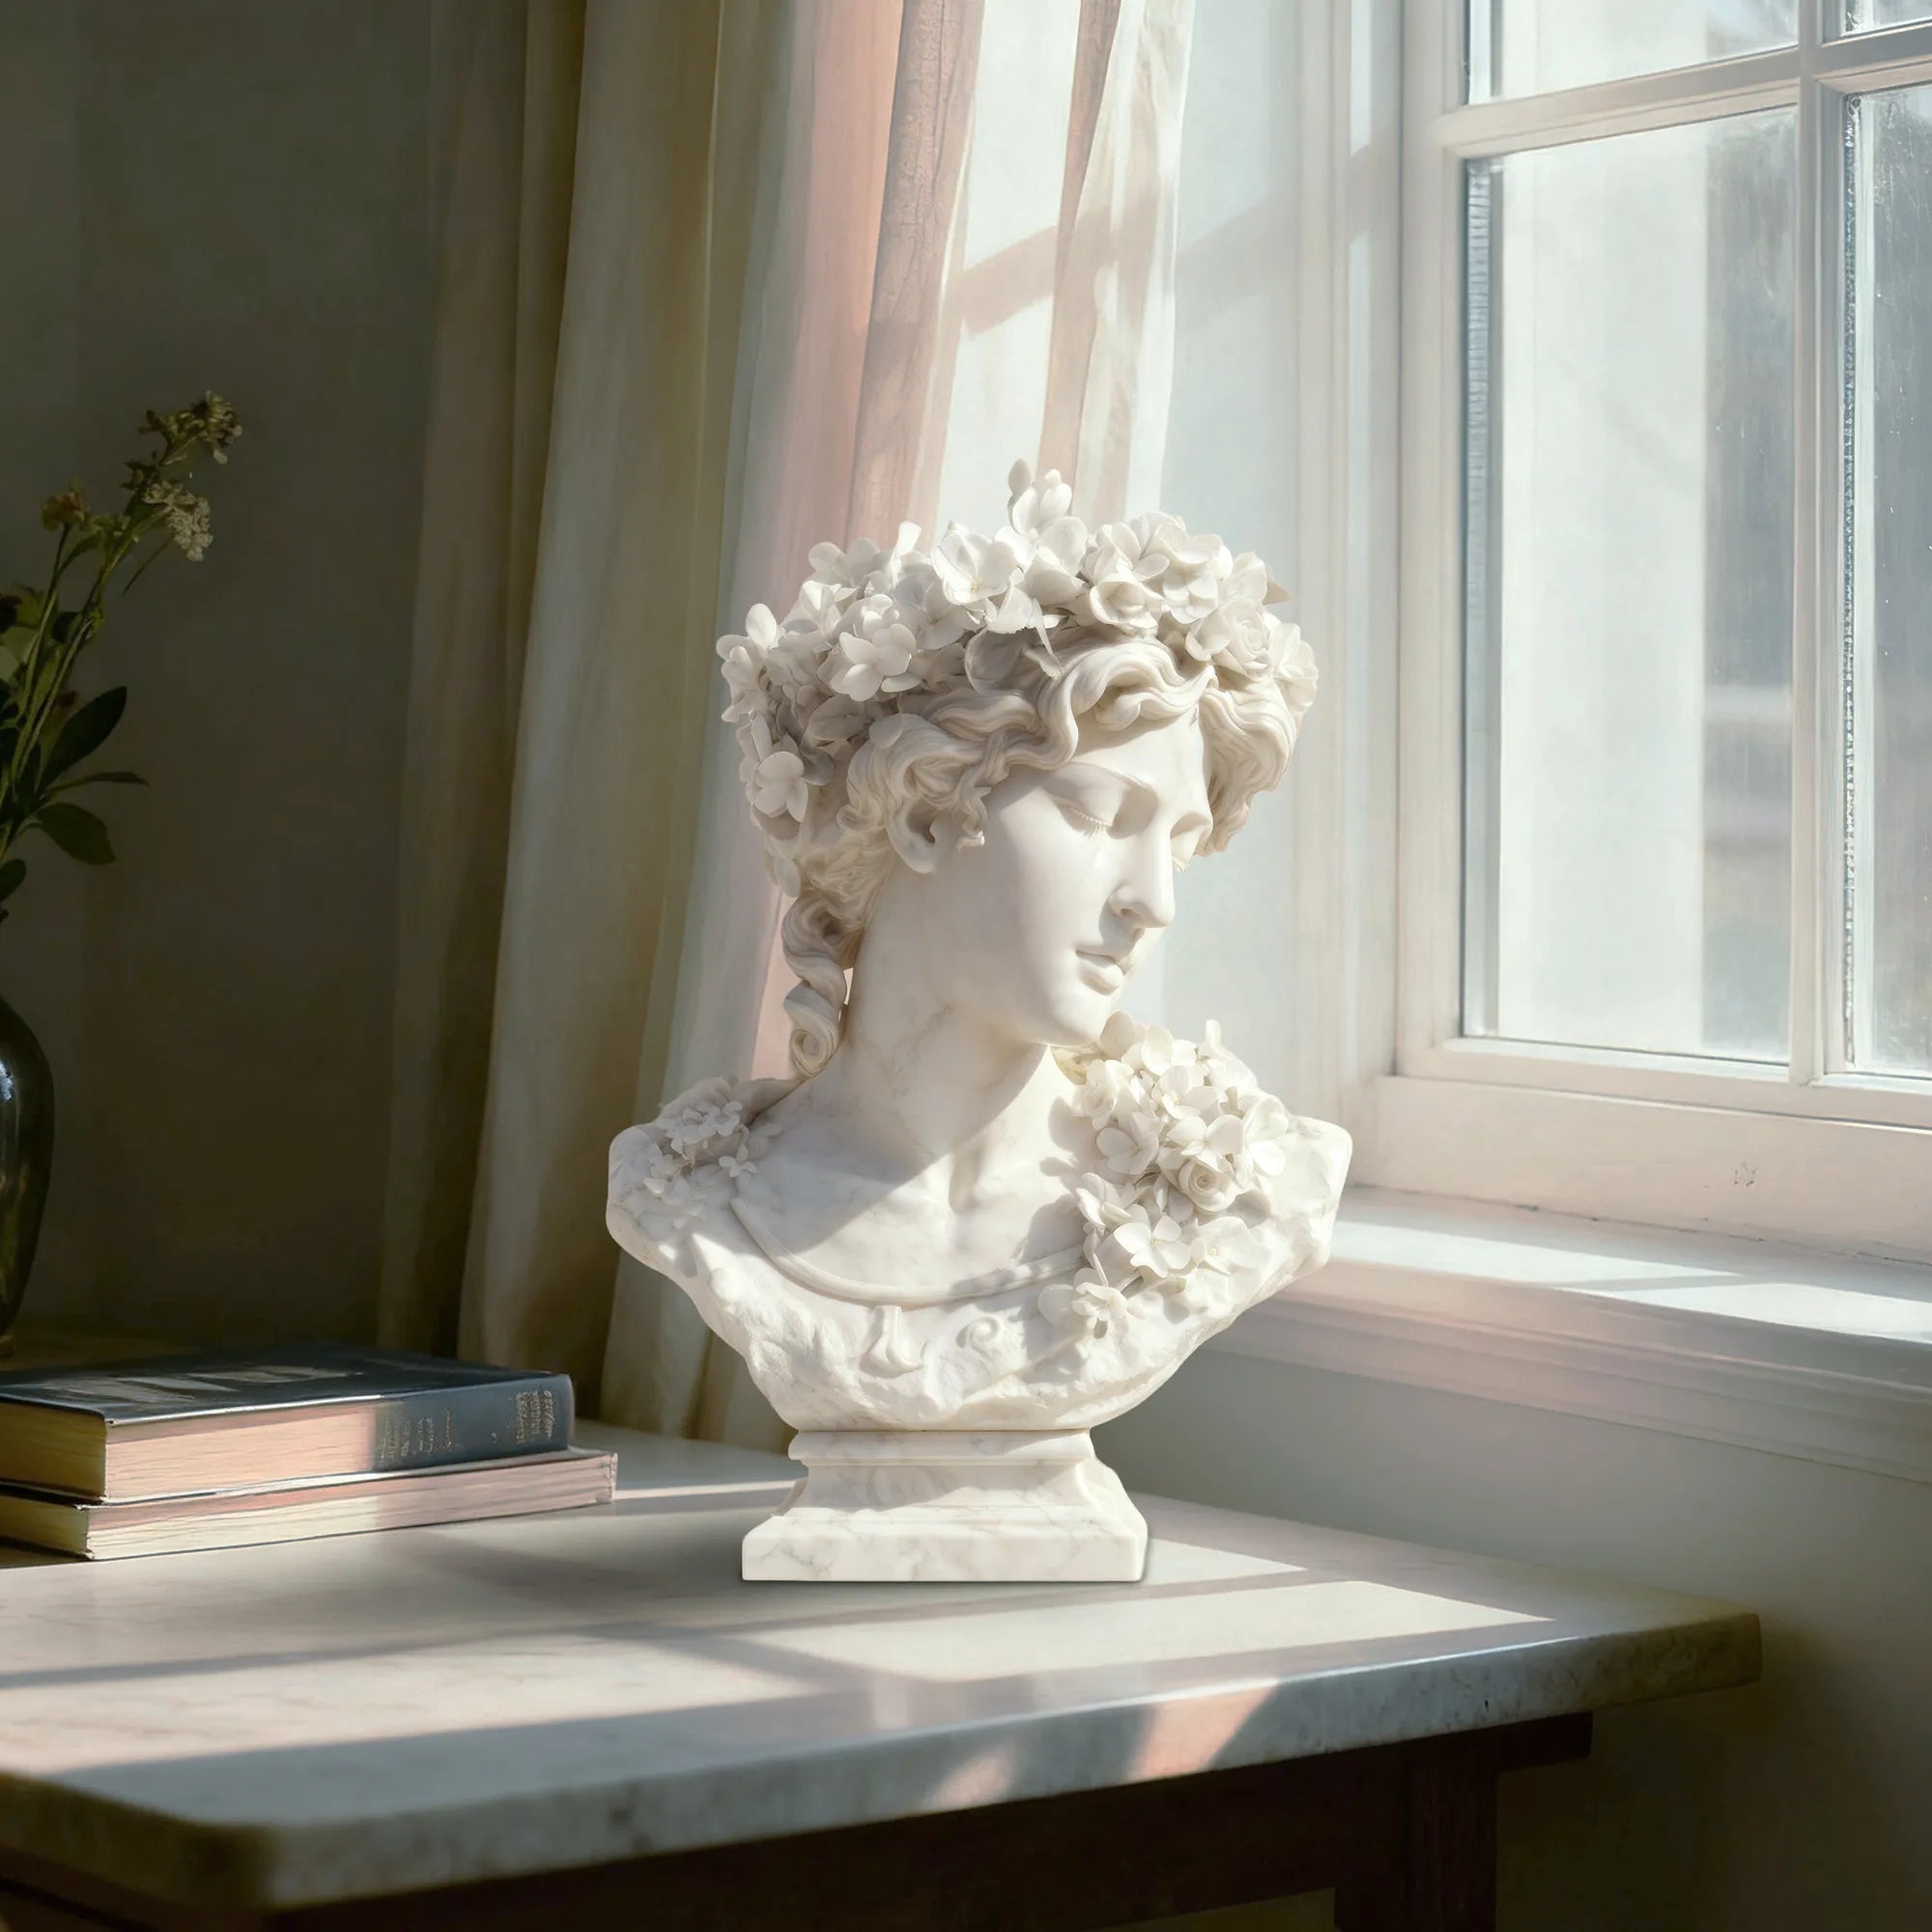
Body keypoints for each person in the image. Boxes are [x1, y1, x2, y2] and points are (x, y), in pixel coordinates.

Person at [607, 463, 1349, 1435]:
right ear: (919, 813)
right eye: (1095, 812)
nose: (1152, 900)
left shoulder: (1239, 1185)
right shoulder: (686, 1189)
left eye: (1175, 842)